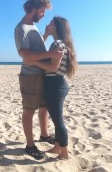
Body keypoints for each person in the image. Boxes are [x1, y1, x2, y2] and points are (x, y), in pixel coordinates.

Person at [14, 0, 63, 160]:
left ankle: (44, 134)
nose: (43, 15)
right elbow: (26, 54)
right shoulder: (21, 28)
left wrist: (47, 35)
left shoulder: (32, 26)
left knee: (44, 107)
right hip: (30, 76)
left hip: (41, 73)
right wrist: (50, 53)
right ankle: (29, 145)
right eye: (42, 11)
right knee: (29, 110)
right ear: (32, 9)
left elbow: (36, 46)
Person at [25, 16, 77, 160]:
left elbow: (53, 67)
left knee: (58, 121)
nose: (48, 23)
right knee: (56, 118)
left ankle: (64, 154)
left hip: (54, 85)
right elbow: (41, 48)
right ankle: (57, 147)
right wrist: (46, 34)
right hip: (58, 84)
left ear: (57, 27)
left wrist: (34, 62)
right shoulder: (60, 43)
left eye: (51, 23)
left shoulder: (57, 44)